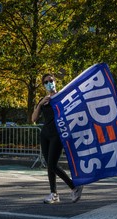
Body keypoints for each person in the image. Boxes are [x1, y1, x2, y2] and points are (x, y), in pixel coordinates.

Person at [32, 73, 83, 204]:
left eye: (51, 80)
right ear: (43, 85)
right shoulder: (43, 100)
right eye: (46, 82)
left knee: (52, 164)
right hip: (45, 135)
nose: (49, 83)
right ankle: (54, 194)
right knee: (49, 166)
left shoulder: (62, 98)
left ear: (55, 81)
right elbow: (33, 119)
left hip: (58, 135)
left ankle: (74, 186)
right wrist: (40, 104)